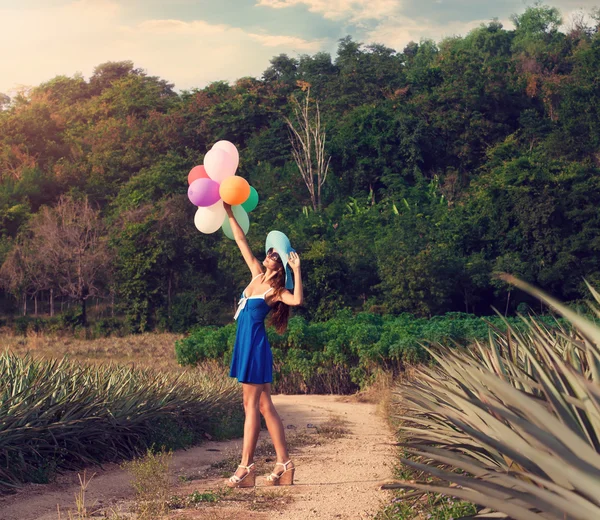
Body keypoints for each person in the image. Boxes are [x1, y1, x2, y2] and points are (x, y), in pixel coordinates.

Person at [223, 203, 304, 489]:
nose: (269, 255)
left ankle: (246, 467)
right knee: (264, 406)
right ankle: (284, 463)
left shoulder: (276, 291)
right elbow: (241, 241)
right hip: (244, 345)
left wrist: (297, 269)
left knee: (250, 406)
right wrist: (229, 212)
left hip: (255, 348)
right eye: (270, 252)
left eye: (275, 255)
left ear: (280, 265)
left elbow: (296, 301)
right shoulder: (256, 274)